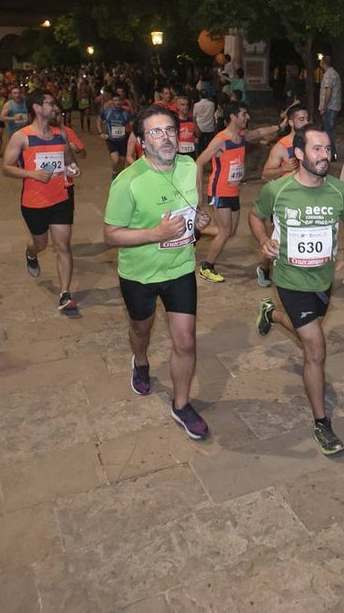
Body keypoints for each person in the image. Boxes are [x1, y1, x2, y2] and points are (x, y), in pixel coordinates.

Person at [250, 124, 344, 455]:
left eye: (327, 149)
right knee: (316, 348)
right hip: (290, 281)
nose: (324, 155)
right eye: (317, 149)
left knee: (306, 332)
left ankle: (271, 314)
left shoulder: (339, 191)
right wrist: (264, 241)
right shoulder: (278, 190)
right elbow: (256, 217)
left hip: (323, 282)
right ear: (299, 153)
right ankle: (322, 423)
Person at [104, 106, 213, 439]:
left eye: (170, 130)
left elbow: (195, 206)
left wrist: (200, 219)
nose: (165, 138)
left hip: (180, 267)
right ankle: (140, 361)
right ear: (140, 140)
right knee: (142, 328)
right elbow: (110, 234)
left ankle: (181, 405)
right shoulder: (128, 182)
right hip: (140, 274)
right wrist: (155, 234)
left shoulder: (189, 165)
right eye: (155, 132)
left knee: (185, 340)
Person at [2, 90, 81, 313]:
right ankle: (31, 253)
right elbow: (6, 168)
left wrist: (72, 169)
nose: (54, 107)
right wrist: (32, 174)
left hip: (60, 199)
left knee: (63, 246)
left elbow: (68, 162)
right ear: (37, 108)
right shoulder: (22, 136)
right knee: (41, 243)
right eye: (50, 103)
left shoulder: (61, 135)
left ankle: (65, 294)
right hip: (34, 201)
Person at [195, 102, 278, 282]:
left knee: (230, 231)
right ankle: (206, 267)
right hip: (219, 190)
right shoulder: (221, 139)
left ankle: (197, 232)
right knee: (225, 232)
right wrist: (199, 193)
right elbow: (200, 162)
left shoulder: (241, 136)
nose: (247, 118)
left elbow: (259, 133)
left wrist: (280, 126)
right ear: (233, 117)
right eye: (244, 114)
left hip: (233, 191)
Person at [257, 104, 311, 287]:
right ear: (291, 122)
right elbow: (265, 174)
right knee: (277, 242)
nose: (305, 122)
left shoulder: (312, 143)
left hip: (306, 198)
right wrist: (284, 168)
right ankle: (264, 267)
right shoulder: (282, 146)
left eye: (307, 118)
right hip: (284, 201)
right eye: (300, 119)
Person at [98, 92, 133, 176]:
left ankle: (118, 176)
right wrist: (101, 132)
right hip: (111, 140)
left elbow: (131, 124)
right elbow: (98, 120)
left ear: (122, 101)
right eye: (115, 100)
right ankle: (114, 174)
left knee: (122, 161)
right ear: (111, 101)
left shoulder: (126, 112)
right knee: (116, 160)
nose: (117, 102)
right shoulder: (107, 111)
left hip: (123, 140)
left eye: (119, 100)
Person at [318, 55, 341, 159]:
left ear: (323, 63)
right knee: (329, 130)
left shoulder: (328, 75)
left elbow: (328, 91)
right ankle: (332, 154)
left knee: (328, 131)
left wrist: (324, 106)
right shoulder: (334, 73)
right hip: (334, 106)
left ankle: (331, 155)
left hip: (330, 107)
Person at [0, 86, 29, 158]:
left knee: (25, 152)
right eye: (15, 93)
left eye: (19, 93)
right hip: (13, 133)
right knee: (15, 154)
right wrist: (13, 118)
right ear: (11, 95)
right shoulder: (9, 105)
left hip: (25, 132)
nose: (17, 95)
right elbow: (1, 117)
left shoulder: (26, 103)